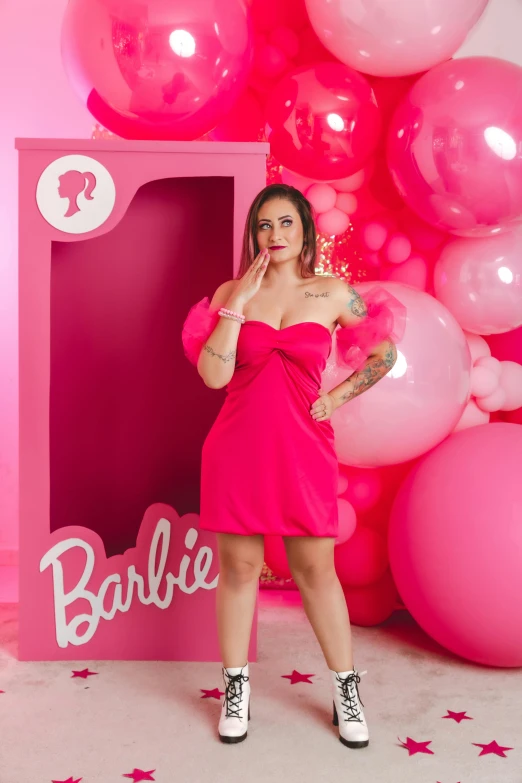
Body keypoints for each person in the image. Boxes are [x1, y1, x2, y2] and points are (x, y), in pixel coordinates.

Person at [181, 183, 405, 748]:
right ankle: (236, 690)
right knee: (237, 571)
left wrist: (337, 398)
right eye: (263, 225)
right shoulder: (231, 291)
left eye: (284, 224)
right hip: (236, 446)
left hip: (303, 447)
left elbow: (385, 351)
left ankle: (345, 690)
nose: (273, 235)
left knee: (315, 572)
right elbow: (212, 376)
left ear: (305, 231)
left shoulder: (332, 293)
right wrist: (236, 306)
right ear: (252, 233)